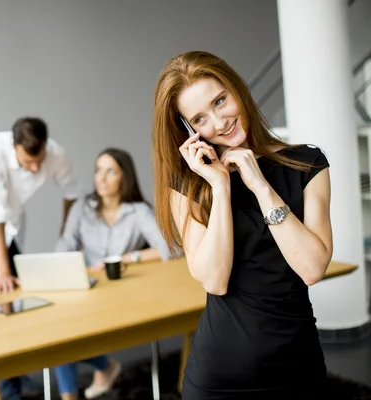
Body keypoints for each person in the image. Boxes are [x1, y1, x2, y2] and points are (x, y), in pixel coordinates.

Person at [151, 50, 332, 399]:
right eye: (200, 119)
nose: (219, 123)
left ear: (237, 90)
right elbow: (215, 280)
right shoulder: (189, 185)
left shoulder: (307, 165)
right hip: (220, 378)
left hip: (299, 367)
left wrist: (261, 186)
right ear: (189, 131)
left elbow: (312, 268)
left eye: (220, 101)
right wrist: (220, 186)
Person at [0, 116, 79, 400]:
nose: (35, 169)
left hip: (9, 227)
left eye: (39, 161)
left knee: (20, 299)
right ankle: (9, 392)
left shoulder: (55, 153)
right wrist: (2, 272)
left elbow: (70, 191)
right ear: (14, 146)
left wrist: (65, 234)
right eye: (27, 162)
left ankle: (17, 368)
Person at [54, 148, 174, 400]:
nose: (101, 178)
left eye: (111, 171)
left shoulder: (137, 211)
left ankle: (104, 368)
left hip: (123, 296)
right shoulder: (81, 207)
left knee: (65, 340)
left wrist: (126, 258)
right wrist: (57, 267)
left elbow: (170, 249)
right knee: (61, 335)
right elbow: (65, 244)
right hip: (88, 293)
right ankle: (97, 374)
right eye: (98, 170)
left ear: (124, 177)